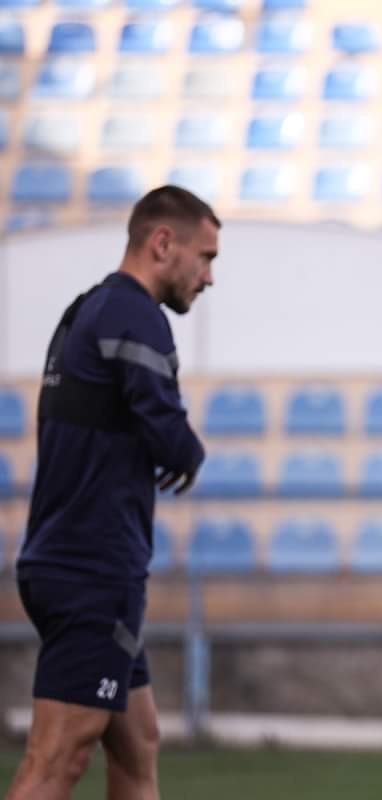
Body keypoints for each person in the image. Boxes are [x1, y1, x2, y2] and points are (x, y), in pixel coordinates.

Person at [7, 185, 218, 800]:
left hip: (66, 557)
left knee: (136, 742)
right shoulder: (135, 315)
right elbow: (168, 430)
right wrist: (188, 452)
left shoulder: (86, 308)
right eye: (205, 257)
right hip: (92, 568)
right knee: (58, 759)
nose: (208, 277)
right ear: (163, 243)